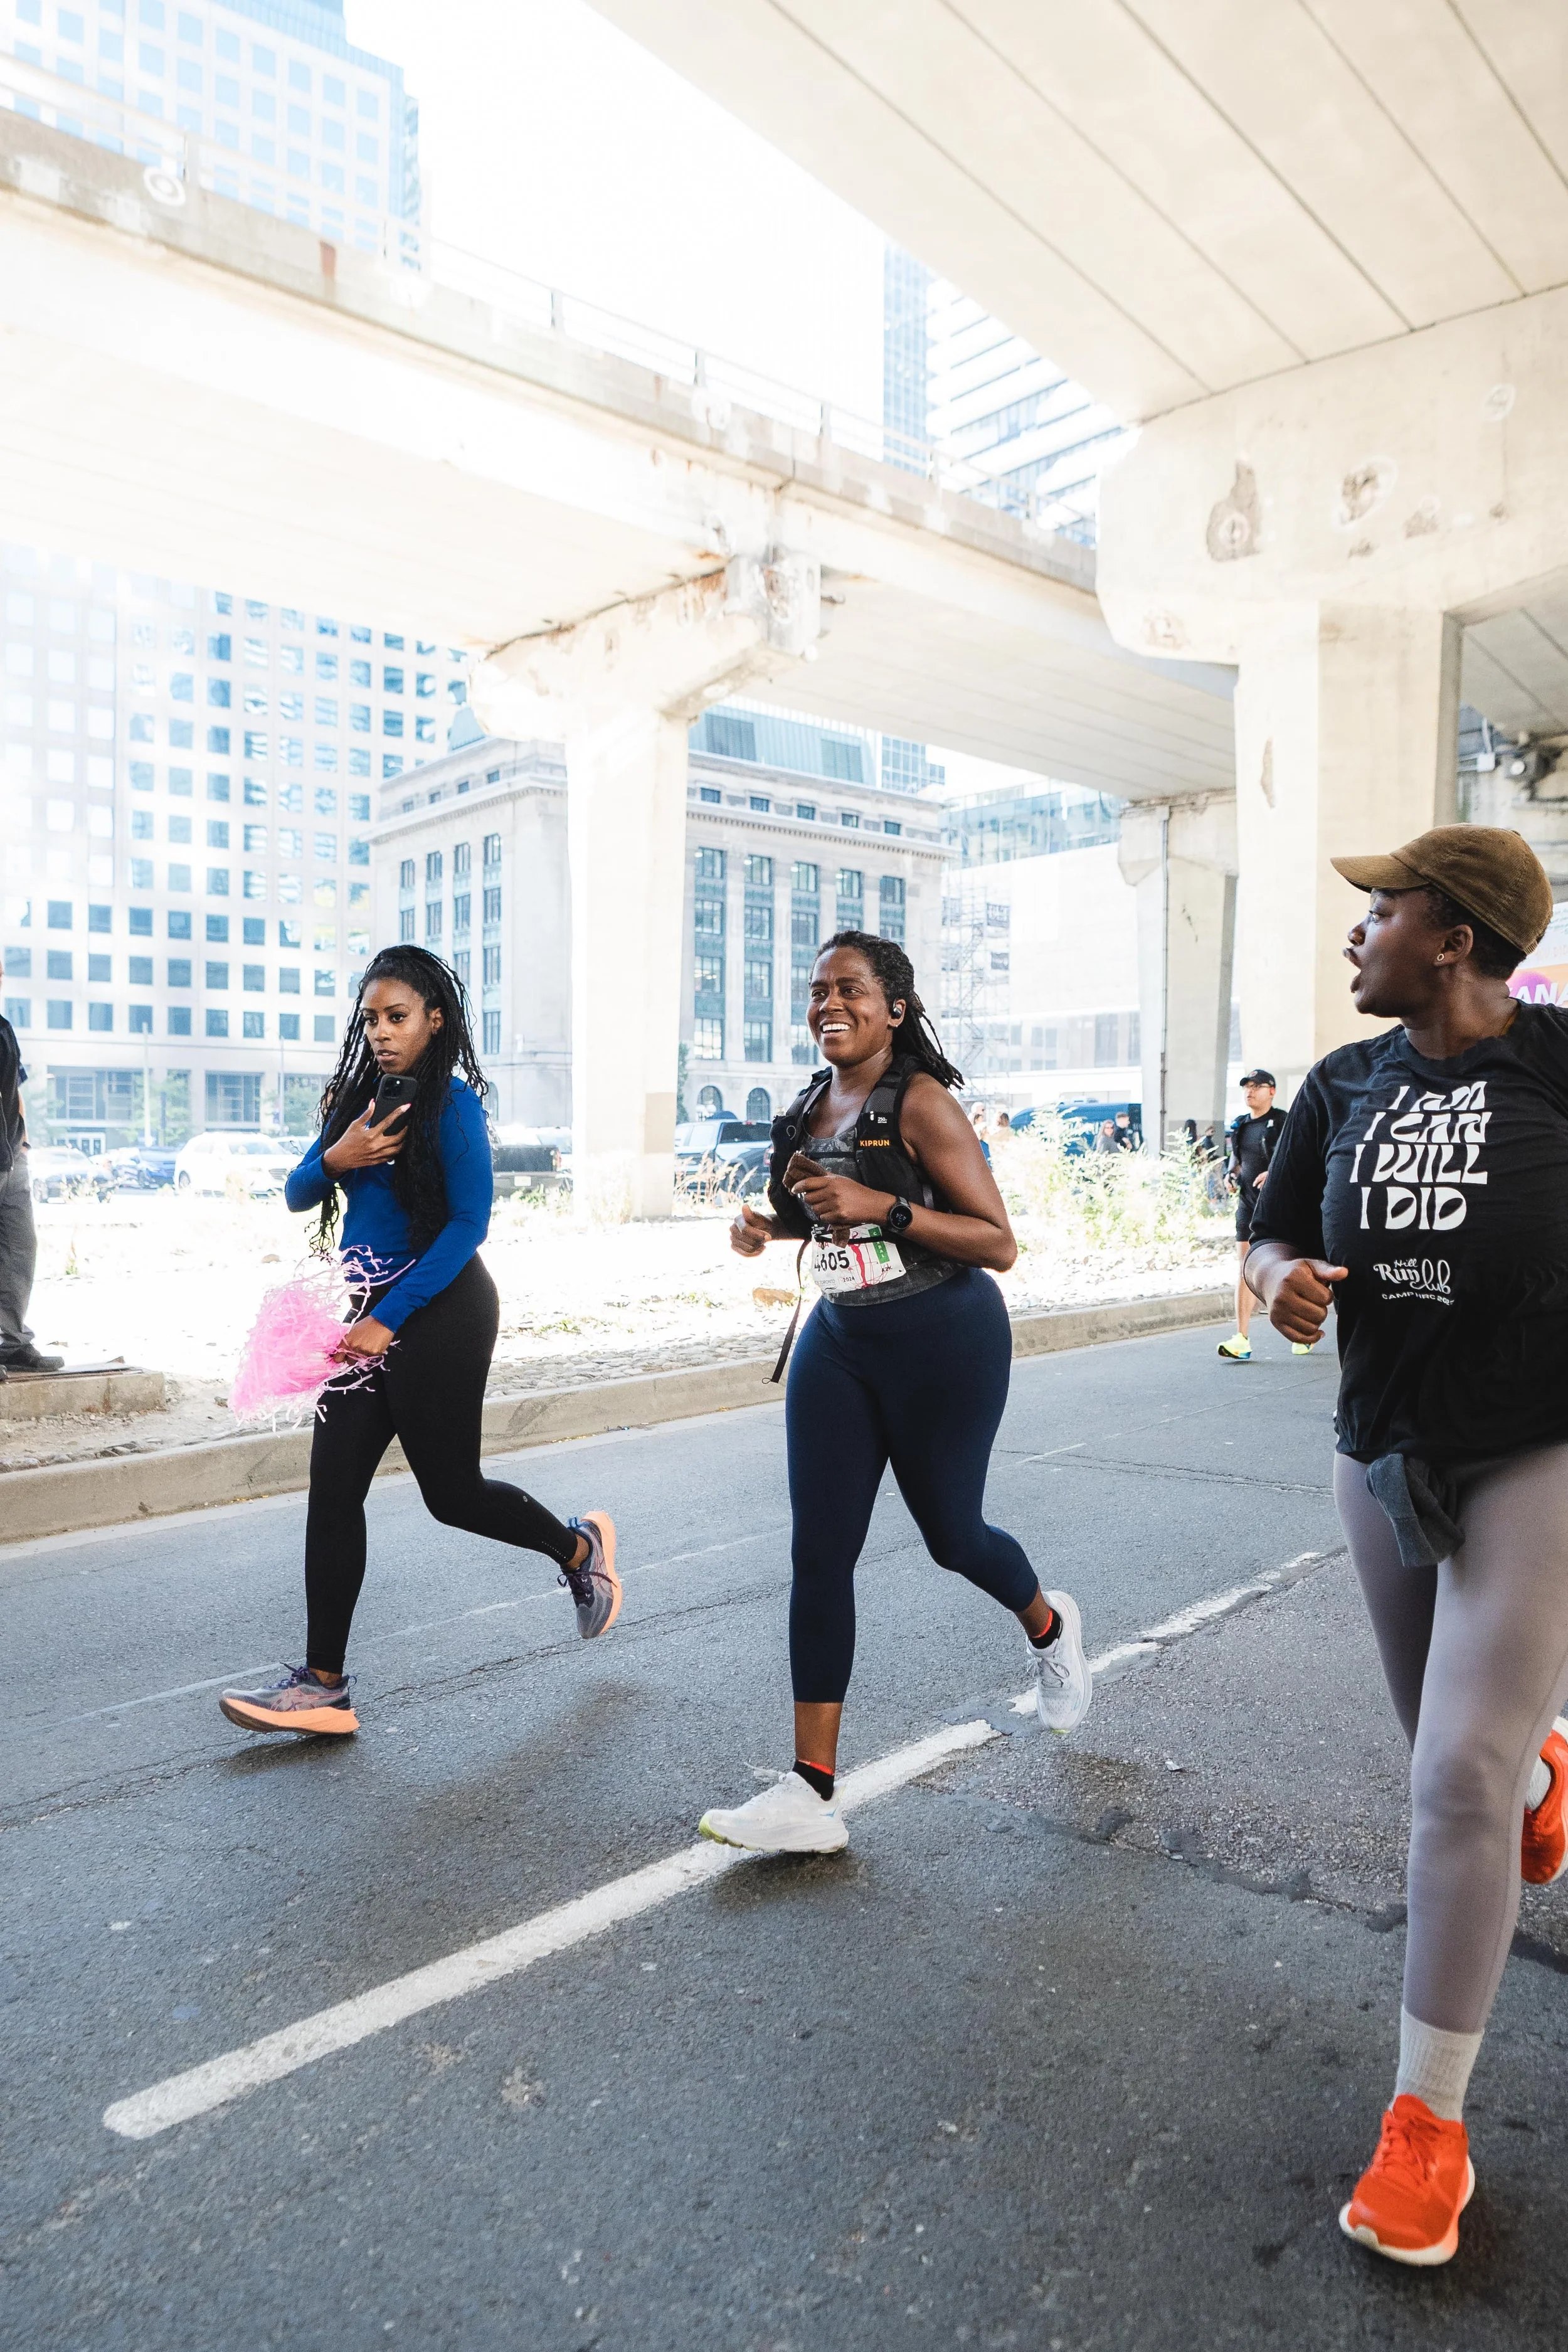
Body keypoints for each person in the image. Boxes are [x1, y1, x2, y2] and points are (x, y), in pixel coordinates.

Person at [1244, 825, 1568, 2267]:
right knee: (1449, 1751)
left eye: (1377, 908)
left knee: (1453, 1777)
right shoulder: (1339, 1083)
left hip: (1534, 1447)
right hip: (1377, 1452)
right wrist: (1280, 1281)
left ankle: (1425, 2127)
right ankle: (1548, 1760)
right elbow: (1256, 1234)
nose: (1351, 932)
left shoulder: (1555, 1061)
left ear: (1454, 934)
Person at [697, 930, 1091, 1856]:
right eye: (818, 987)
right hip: (839, 1343)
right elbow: (814, 1207)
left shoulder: (921, 1103)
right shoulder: (805, 1109)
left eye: (851, 989)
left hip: (943, 1339)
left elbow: (997, 1242)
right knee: (819, 1553)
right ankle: (809, 1790)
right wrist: (767, 1224)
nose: (829, 1001)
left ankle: (1049, 1620)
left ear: (895, 1009)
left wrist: (887, 1208)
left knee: (954, 1537)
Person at [219, 946, 620, 1739]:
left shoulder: (455, 1107)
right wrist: (341, 1154)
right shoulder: (357, 1102)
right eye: (370, 1018)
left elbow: (469, 1225)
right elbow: (301, 1192)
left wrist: (387, 1318)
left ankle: (577, 1550)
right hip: (365, 1315)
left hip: (439, 1311)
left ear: (435, 1020)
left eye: (396, 1017)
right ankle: (324, 1687)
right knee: (332, 1494)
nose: (380, 1032)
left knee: (452, 1495)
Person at [0, 960, 63, 1379]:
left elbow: (14, 1086)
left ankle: (14, 1344)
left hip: (11, 1158)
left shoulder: (3, 1028)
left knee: (21, 1249)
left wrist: (23, 1143)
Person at [1216, 1068, 1287, 1360]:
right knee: (1245, 1267)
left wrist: (1274, 1172)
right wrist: (1229, 1175)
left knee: (1287, 1268)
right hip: (1247, 1203)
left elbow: (1299, 1156)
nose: (1250, 1091)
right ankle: (1241, 1339)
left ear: (1271, 1091)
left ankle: (1302, 1330)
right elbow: (1237, 1161)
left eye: (1258, 1086)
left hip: (1279, 1203)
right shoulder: (1241, 1125)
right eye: (1247, 1086)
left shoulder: (1284, 1121)